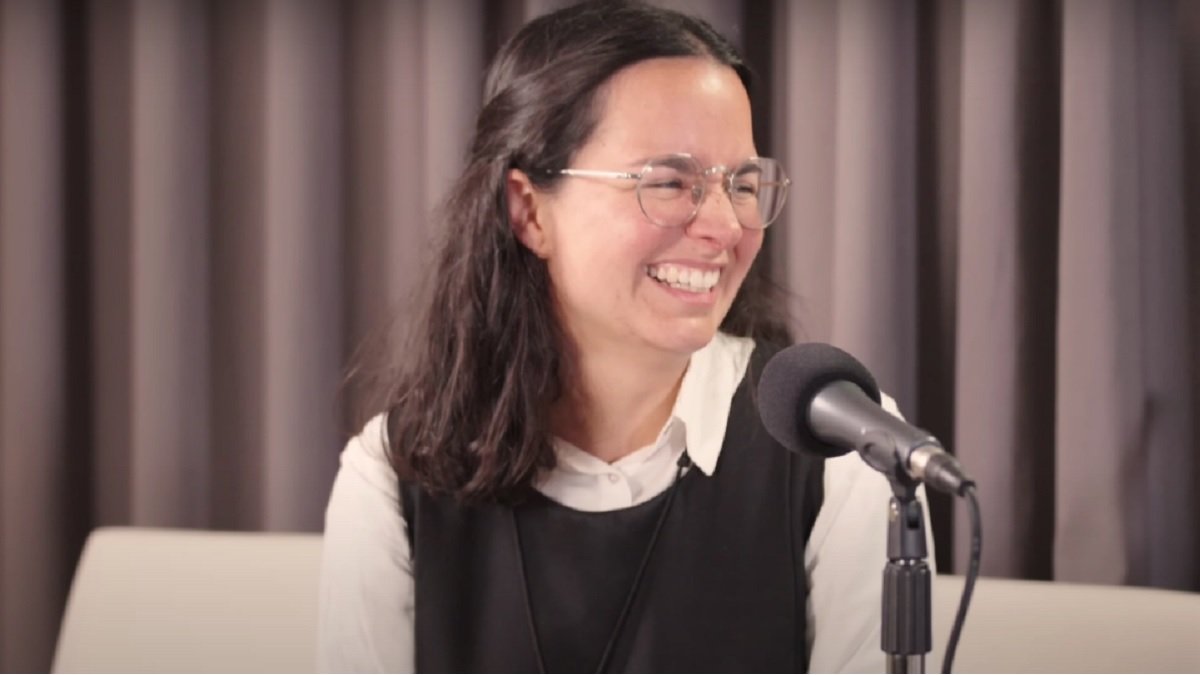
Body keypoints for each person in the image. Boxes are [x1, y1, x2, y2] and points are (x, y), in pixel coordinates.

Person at [319, 1, 932, 672]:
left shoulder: (844, 452)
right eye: (669, 182)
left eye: (742, 183)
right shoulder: (391, 475)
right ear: (527, 210)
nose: (726, 225)